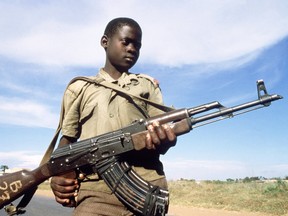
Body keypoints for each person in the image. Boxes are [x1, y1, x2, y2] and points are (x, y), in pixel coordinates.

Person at [50, 17, 177, 216]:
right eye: (126, 42)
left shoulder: (146, 86)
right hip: (95, 194)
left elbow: (164, 134)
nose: (132, 49)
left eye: (137, 45)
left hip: (146, 190)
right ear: (105, 42)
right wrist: (57, 175)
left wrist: (165, 140)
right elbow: (67, 140)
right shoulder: (81, 88)